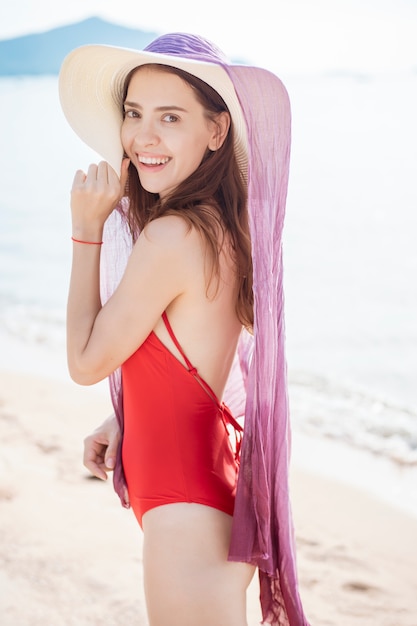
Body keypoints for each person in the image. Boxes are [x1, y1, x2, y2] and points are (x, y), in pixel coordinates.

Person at [59, 33, 310, 626]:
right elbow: (198, 355)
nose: (145, 136)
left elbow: (84, 361)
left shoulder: (173, 236)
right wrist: (123, 416)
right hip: (197, 492)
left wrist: (86, 230)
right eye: (134, 114)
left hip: (185, 511)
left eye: (170, 117)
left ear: (216, 132)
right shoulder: (219, 227)